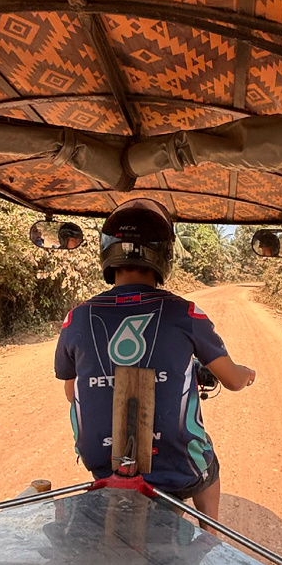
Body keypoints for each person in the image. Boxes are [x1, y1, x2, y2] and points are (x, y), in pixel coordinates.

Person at [54, 200, 255, 520]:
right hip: (176, 472)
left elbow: (71, 393)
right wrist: (246, 373)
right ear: (164, 257)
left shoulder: (76, 318)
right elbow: (231, 380)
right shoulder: (184, 313)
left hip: (103, 466)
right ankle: (211, 536)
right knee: (209, 467)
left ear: (108, 255)